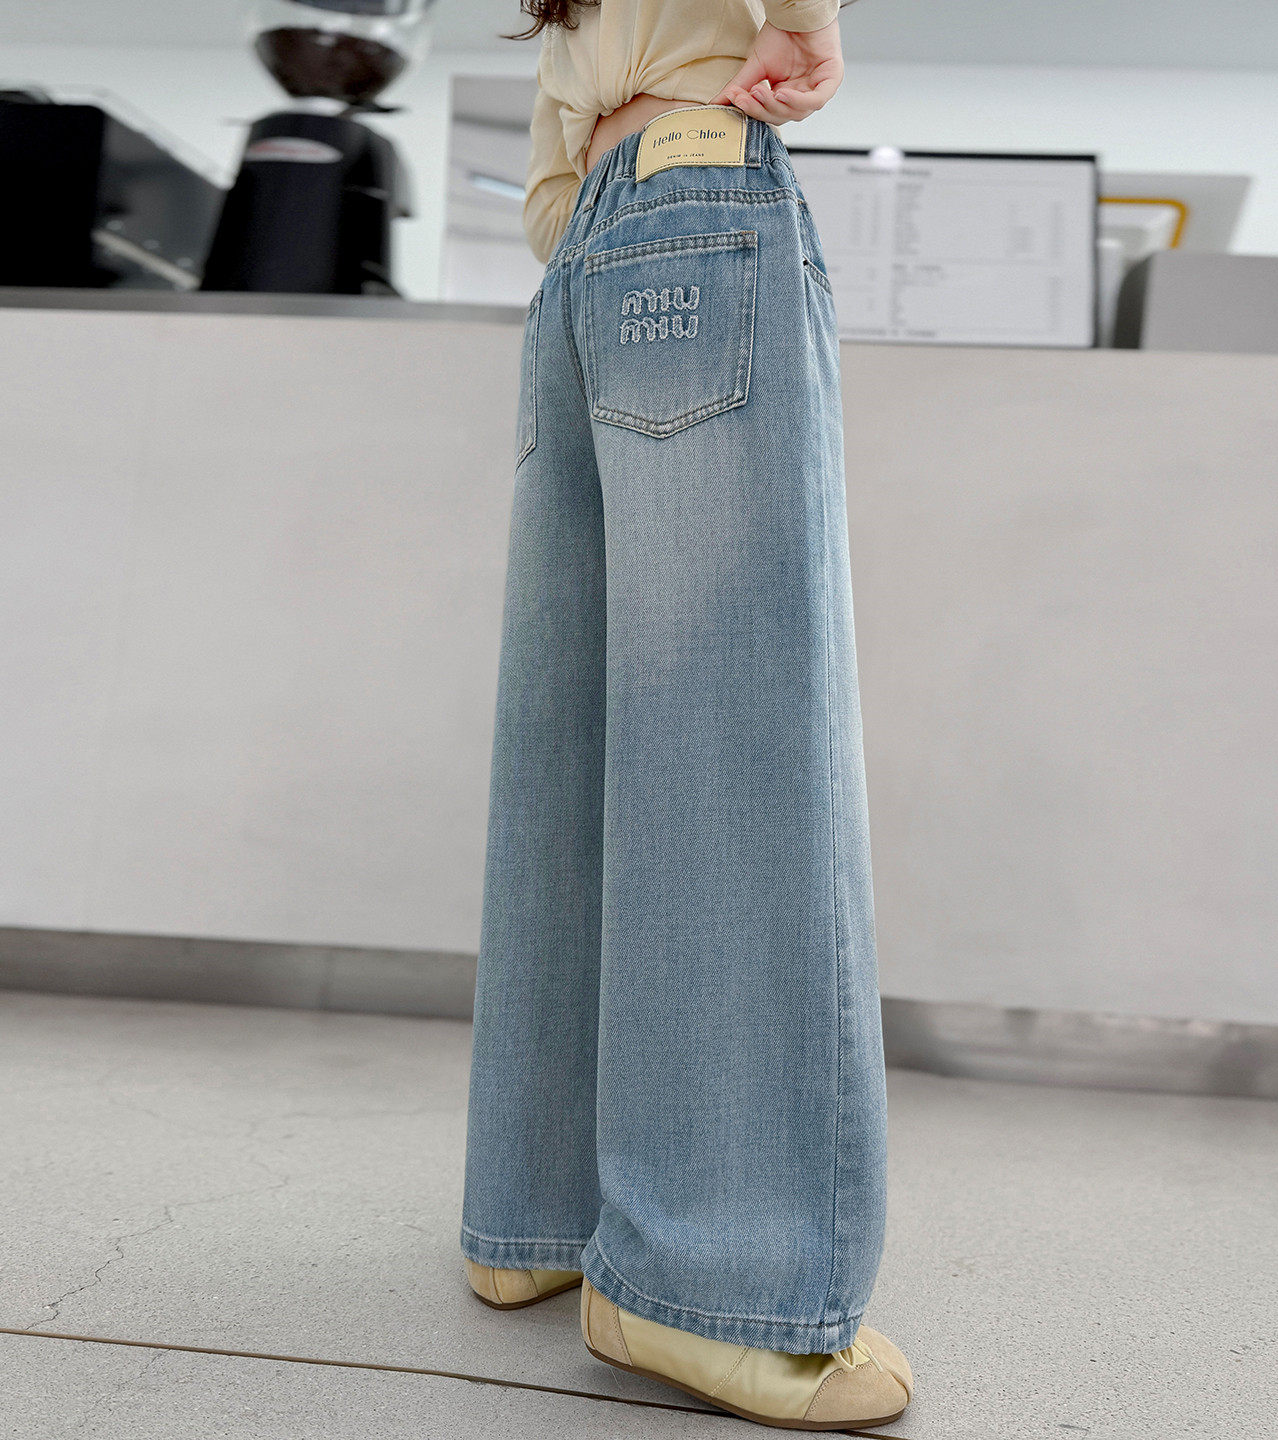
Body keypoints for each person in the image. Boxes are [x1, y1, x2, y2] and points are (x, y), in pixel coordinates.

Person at [459, 0, 912, 1428]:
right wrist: (810, 26)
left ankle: (533, 1217)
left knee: (571, 734)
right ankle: (712, 1281)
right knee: (736, 739)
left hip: (588, 238)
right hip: (703, 191)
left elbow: (549, 197)